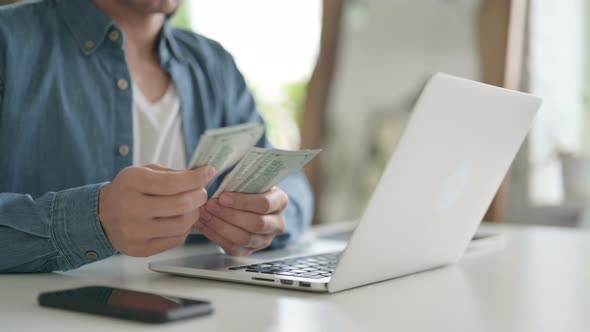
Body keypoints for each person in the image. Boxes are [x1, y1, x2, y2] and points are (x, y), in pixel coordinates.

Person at [0, 0, 313, 272]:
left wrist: (273, 215)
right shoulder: (8, 42)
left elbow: (291, 187)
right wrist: (92, 220)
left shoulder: (214, 64)